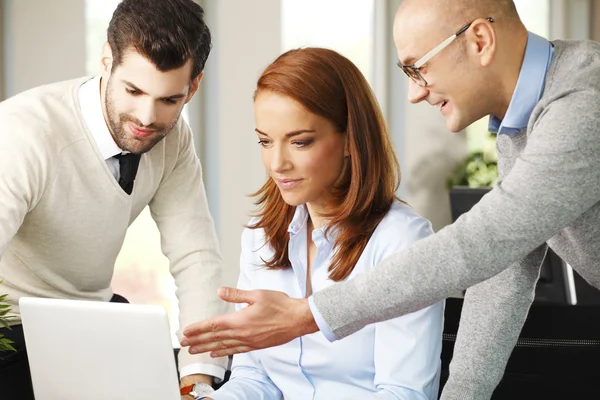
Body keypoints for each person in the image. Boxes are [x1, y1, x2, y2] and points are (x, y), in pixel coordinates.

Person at [181, 0, 600, 399]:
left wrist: (309, 314)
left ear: (479, 41)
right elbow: (502, 272)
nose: (415, 93)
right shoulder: (526, 122)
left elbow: (479, 244)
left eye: (419, 68)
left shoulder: (584, 101)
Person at [0, 1, 227, 399]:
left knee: (224, 374)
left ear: (194, 86)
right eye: (133, 90)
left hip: (96, 321)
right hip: (11, 329)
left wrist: (198, 378)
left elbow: (196, 257)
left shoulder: (172, 139)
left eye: (169, 100)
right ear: (107, 59)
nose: (146, 117)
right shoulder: (23, 132)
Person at [200, 47, 444, 400]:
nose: (277, 163)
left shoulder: (402, 241)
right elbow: (254, 377)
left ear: (349, 140)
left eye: (299, 142)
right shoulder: (260, 236)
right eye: (265, 142)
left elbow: (403, 394)